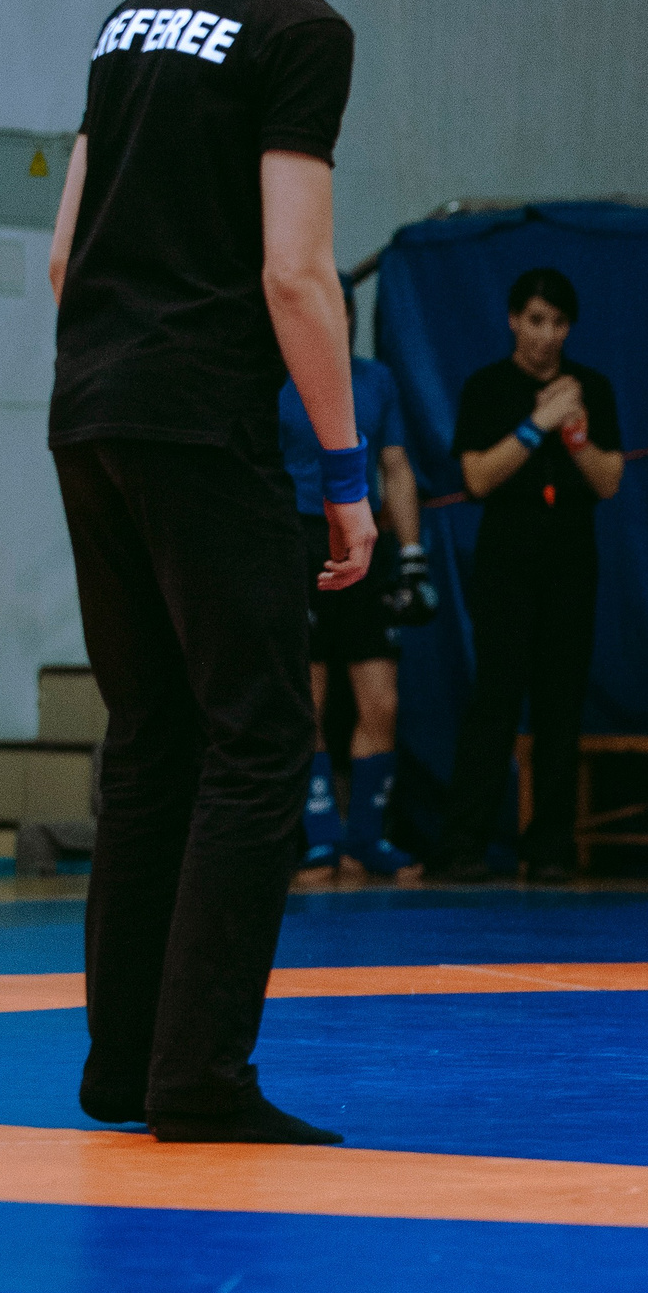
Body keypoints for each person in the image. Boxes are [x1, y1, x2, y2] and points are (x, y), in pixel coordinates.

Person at [47, 0, 378, 1146]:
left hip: (92, 409)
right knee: (259, 736)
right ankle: (201, 1073)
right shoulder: (304, 28)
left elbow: (66, 251)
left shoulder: (133, 15)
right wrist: (348, 471)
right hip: (200, 418)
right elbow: (296, 274)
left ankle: (122, 1063)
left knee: (152, 735)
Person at [434, 268, 624, 884]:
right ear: (514, 320)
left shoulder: (590, 388)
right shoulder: (486, 387)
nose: (547, 335)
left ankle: (549, 849)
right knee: (494, 700)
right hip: (506, 557)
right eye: (536, 320)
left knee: (560, 706)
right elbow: (477, 478)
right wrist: (535, 424)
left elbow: (609, 481)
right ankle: (465, 846)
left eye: (559, 322)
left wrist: (572, 434)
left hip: (570, 555)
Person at [279, 279, 433, 878]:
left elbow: (394, 463)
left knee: (382, 703)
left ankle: (366, 836)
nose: (329, 322)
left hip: (363, 537)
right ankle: (320, 836)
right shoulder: (278, 382)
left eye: (339, 311)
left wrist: (414, 551)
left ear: (349, 315)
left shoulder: (375, 380)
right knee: (307, 699)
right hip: (299, 538)